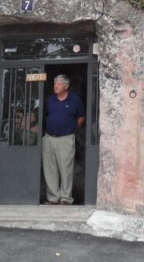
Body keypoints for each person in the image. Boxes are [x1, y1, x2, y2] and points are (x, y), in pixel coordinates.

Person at [42, 75, 85, 205]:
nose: (55, 86)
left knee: (66, 169)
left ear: (66, 86)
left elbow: (81, 117)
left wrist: (71, 128)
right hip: (49, 138)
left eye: (59, 84)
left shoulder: (75, 100)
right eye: (55, 84)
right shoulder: (50, 99)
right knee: (50, 169)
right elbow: (44, 115)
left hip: (66, 138)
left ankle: (66, 198)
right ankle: (53, 198)